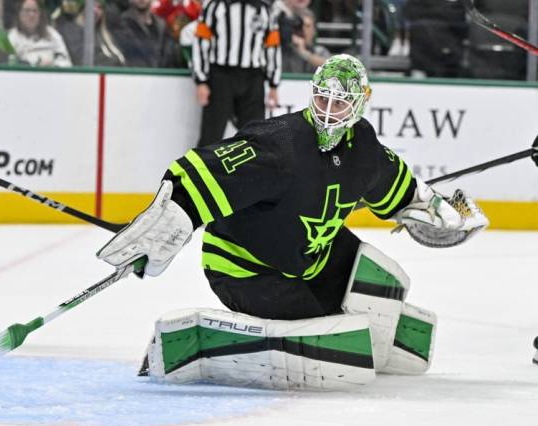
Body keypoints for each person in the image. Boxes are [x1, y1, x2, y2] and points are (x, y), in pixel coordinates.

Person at [96, 55, 489, 389]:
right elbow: (205, 170)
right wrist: (170, 221)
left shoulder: (363, 147)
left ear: (360, 104)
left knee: (382, 276)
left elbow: (399, 189)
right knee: (332, 347)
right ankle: (201, 344)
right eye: (322, 98)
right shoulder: (280, 142)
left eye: (340, 103)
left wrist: (431, 207)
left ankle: (375, 334)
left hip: (308, 255)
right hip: (245, 268)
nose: (327, 111)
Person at [192, 0, 282, 146]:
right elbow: (201, 42)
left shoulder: (265, 10)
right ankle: (202, 168)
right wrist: (201, 81)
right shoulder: (214, 6)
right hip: (221, 76)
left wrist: (273, 84)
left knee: (255, 138)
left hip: (253, 78)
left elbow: (272, 46)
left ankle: (251, 169)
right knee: (211, 135)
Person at [113, 0, 182, 68]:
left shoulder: (162, 26)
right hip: (133, 75)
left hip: (160, 76)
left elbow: (169, 56)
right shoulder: (121, 24)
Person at [56, 0, 126, 66]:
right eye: (93, 5)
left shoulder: (103, 34)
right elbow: (81, 60)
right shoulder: (70, 30)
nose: (96, 11)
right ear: (82, 8)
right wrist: (116, 61)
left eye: (100, 8)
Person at [8, 0, 73, 67]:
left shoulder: (52, 34)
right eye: (27, 10)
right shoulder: (12, 37)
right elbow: (10, 63)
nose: (31, 15)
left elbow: (66, 62)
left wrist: (53, 64)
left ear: (40, 14)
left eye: (35, 11)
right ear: (20, 13)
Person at [282, 8, 329, 73]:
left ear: (314, 31)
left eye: (308, 26)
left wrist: (303, 52)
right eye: (300, 26)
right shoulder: (284, 51)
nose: (303, 29)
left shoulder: (320, 51)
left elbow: (332, 68)